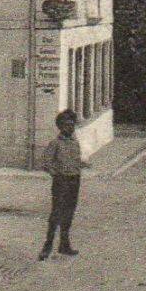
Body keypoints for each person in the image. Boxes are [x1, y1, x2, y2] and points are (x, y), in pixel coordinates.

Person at [38, 109, 89, 259]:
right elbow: (46, 163)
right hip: (61, 181)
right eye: (66, 125)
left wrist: (81, 165)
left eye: (72, 125)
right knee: (56, 214)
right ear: (60, 126)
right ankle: (47, 246)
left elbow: (75, 160)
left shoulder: (75, 143)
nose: (70, 128)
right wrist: (56, 174)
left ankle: (64, 245)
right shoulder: (55, 143)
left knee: (69, 213)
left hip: (74, 180)